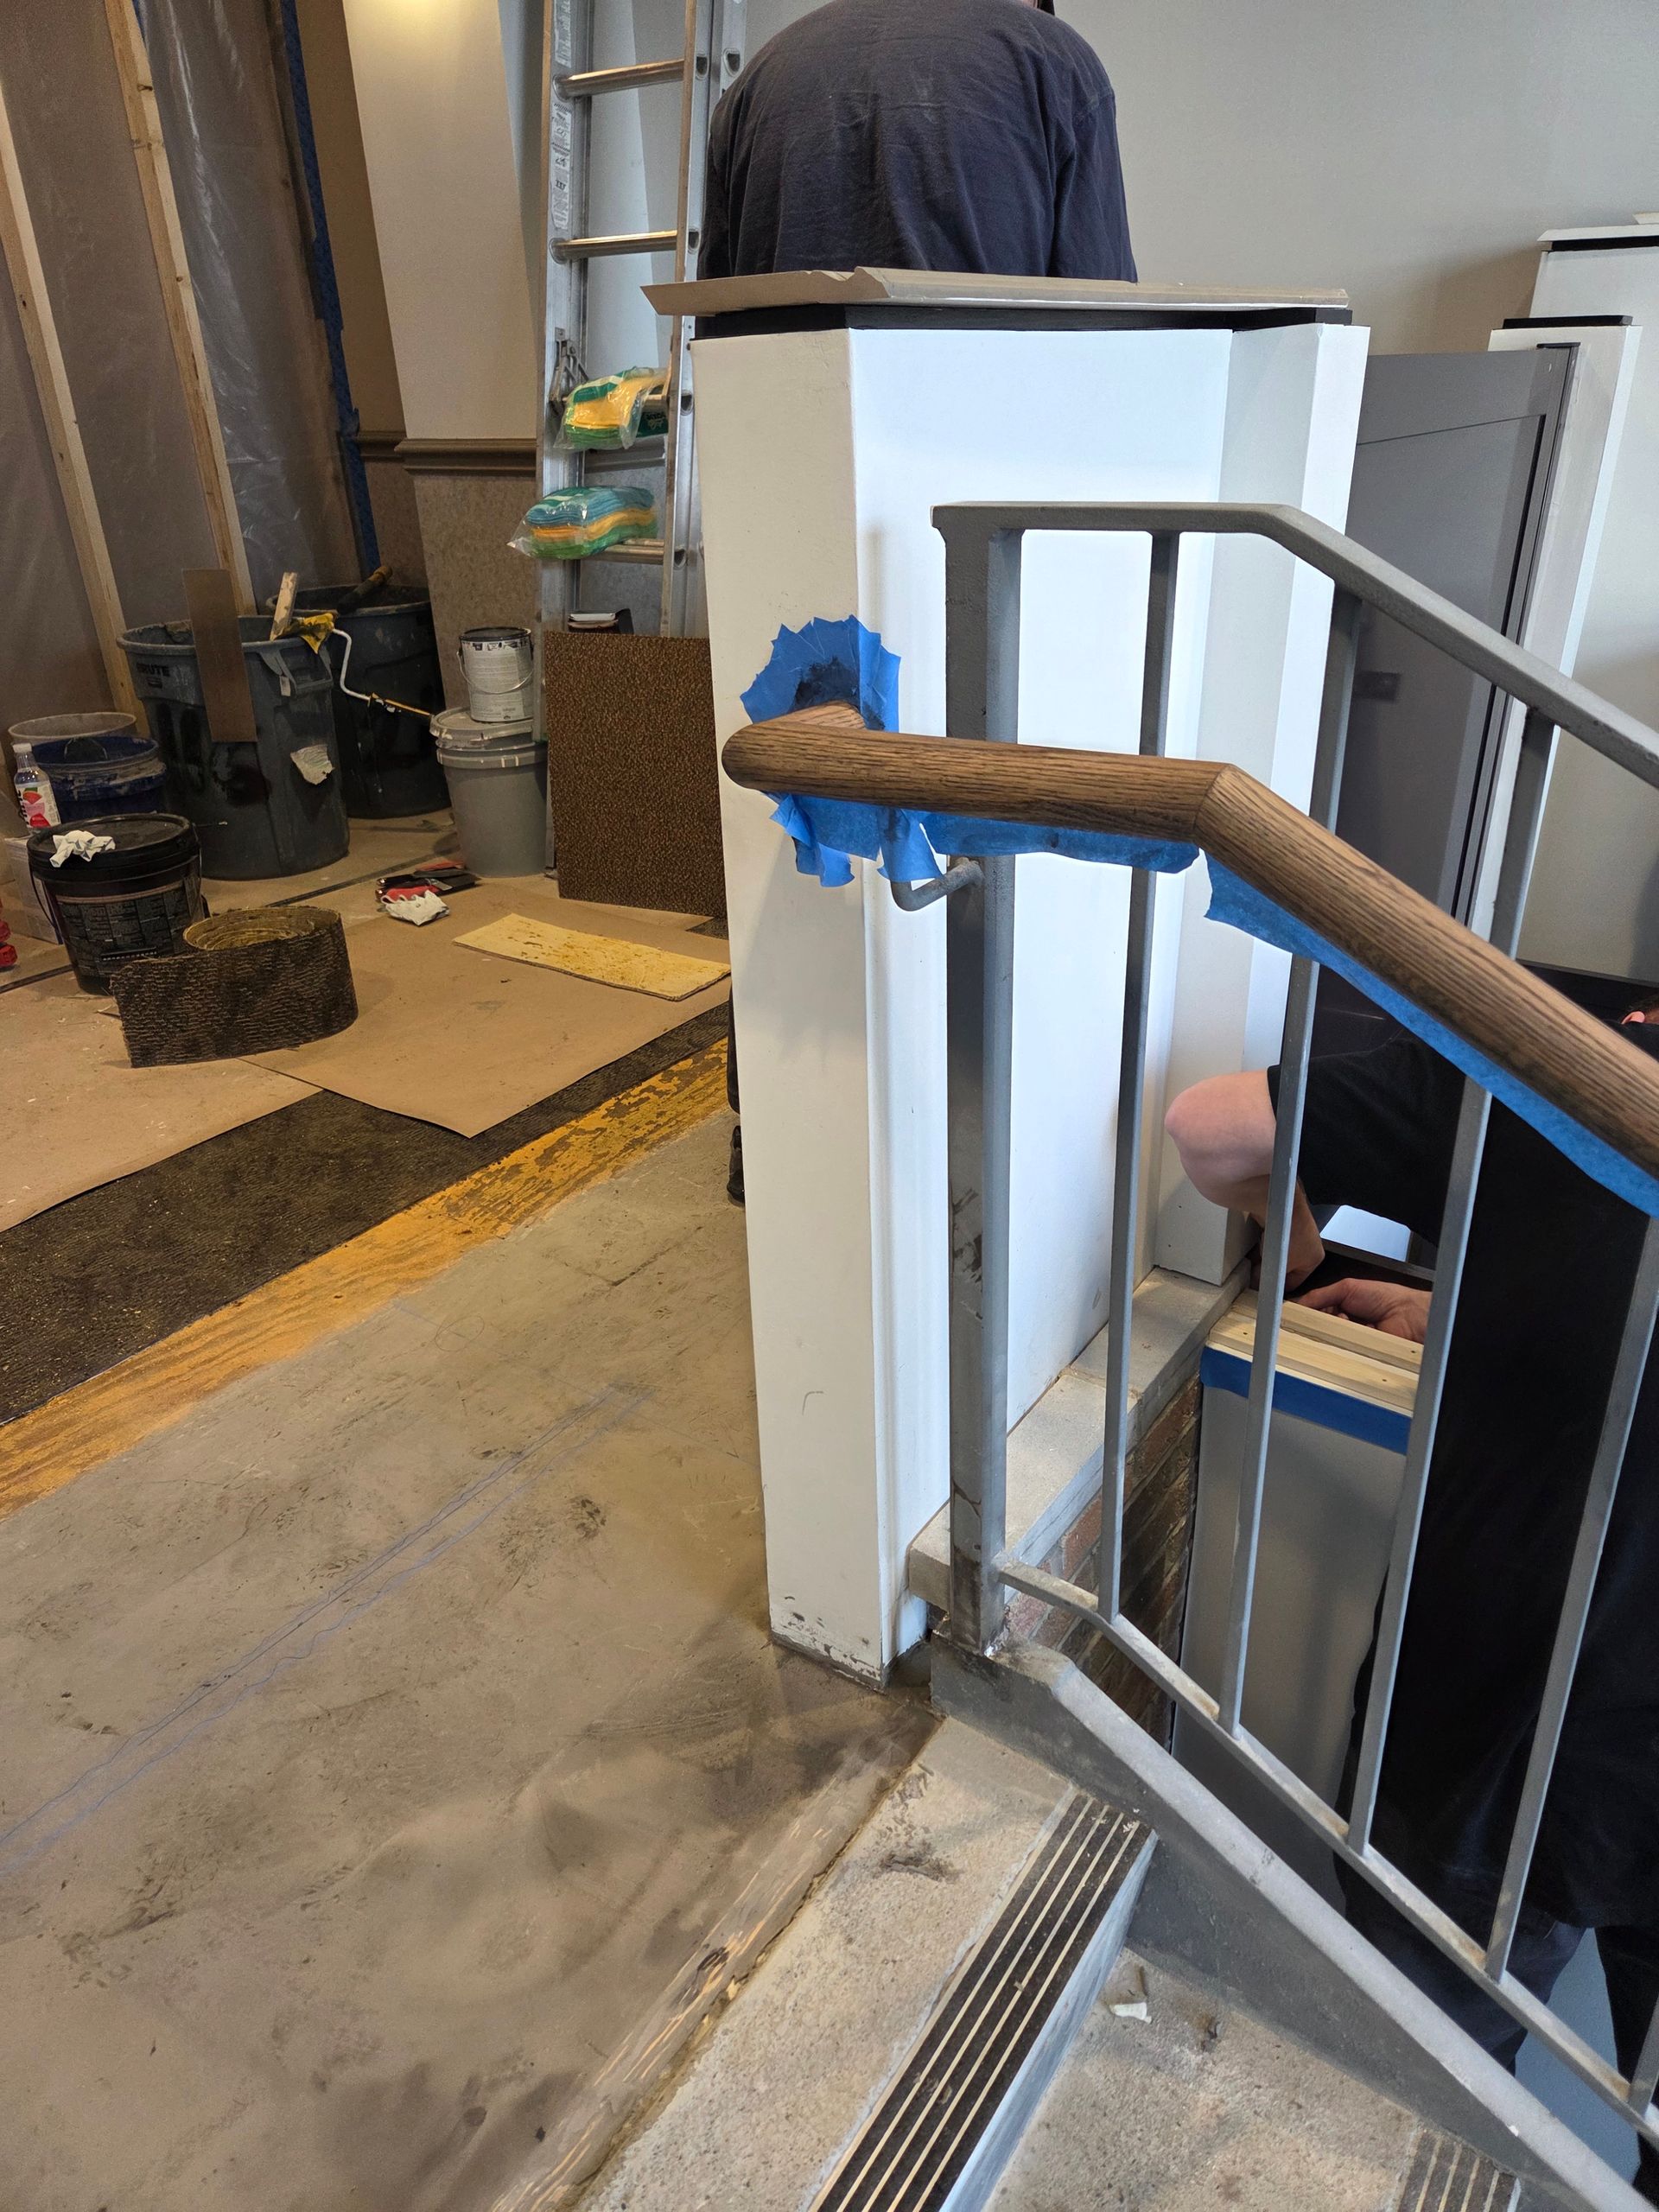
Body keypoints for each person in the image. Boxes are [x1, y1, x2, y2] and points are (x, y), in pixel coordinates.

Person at [1165, 1007, 1659, 2202]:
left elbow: (1209, 1130)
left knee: (1408, 2105)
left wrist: (1300, 1258)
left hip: (1494, 1747)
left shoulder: (1567, 1065)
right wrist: (1483, 1313)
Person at [702, 0, 1137, 1198]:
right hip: (978, 510)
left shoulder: (766, 75)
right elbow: (1102, 319)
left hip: (793, 511)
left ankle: (780, 1134)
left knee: (805, 808)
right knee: (977, 804)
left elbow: (723, 316)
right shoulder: (1050, 62)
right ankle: (979, 1143)